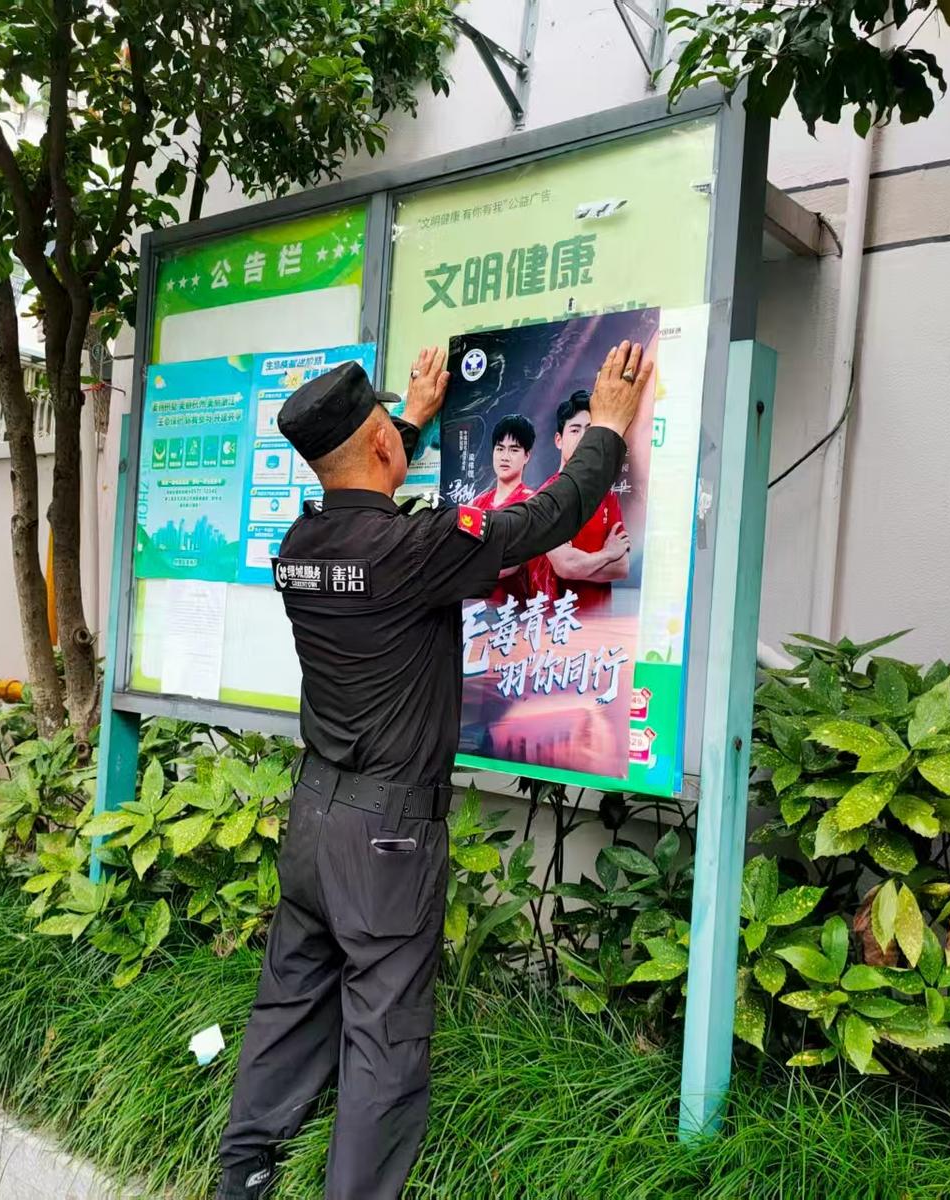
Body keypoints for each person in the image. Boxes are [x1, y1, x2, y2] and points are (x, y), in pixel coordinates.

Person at [216, 342, 653, 1200]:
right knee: (384, 1034)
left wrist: (411, 416)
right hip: (385, 840)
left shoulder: (301, 544)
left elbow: (362, 482)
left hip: (314, 818)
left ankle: (245, 1171)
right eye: (392, 431)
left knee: (291, 998)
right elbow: (546, 517)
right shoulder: (412, 550)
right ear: (381, 446)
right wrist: (605, 425)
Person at [531, 389, 631, 614]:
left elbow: (622, 568)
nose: (584, 438)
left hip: (600, 624)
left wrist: (582, 563)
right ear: (559, 440)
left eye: (590, 430)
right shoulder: (546, 496)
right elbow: (565, 566)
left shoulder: (608, 497)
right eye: (575, 430)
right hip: (557, 623)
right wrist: (607, 555)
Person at [471, 414, 538, 606]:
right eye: (500, 448)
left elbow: (511, 564)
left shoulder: (532, 502)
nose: (505, 457)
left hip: (516, 611)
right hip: (474, 611)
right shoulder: (477, 504)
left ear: (527, 456)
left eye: (514, 450)